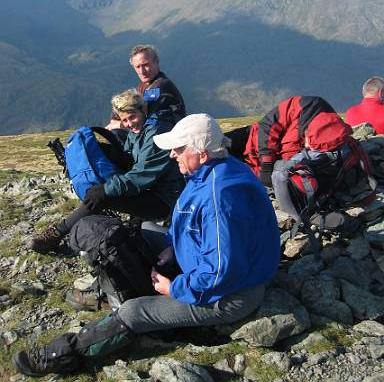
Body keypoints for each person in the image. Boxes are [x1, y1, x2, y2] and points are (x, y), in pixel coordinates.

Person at [13, 113, 281, 377]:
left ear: (202, 153)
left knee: (133, 311)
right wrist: (174, 249)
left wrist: (173, 288)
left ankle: (61, 356)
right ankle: (127, 287)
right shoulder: (213, 171)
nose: (172, 155)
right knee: (141, 231)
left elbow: (219, 273)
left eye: (178, 148)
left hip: (229, 295)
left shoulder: (218, 198)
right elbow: (206, 236)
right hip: (216, 269)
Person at [29, 89, 184, 254]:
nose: (130, 124)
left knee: (103, 197)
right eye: (125, 120)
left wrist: (105, 189)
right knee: (102, 189)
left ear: (143, 110)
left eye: (133, 117)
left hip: (164, 200)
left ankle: (56, 234)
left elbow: (140, 176)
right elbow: (129, 156)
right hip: (150, 189)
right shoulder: (140, 129)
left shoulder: (156, 132)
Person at [242, 95, 352, 187]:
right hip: (251, 138)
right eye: (310, 142)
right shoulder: (306, 105)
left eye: (315, 148)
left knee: (232, 172)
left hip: (256, 164)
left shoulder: (332, 146)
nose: (308, 147)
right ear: (308, 130)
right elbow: (267, 125)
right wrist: (267, 163)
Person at [106, 45, 186, 133]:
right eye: (138, 67)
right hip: (157, 131)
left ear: (157, 62)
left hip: (170, 136)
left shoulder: (159, 86)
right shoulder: (145, 84)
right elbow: (127, 105)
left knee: (117, 133)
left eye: (146, 65)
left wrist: (120, 125)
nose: (142, 71)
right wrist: (115, 119)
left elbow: (144, 120)